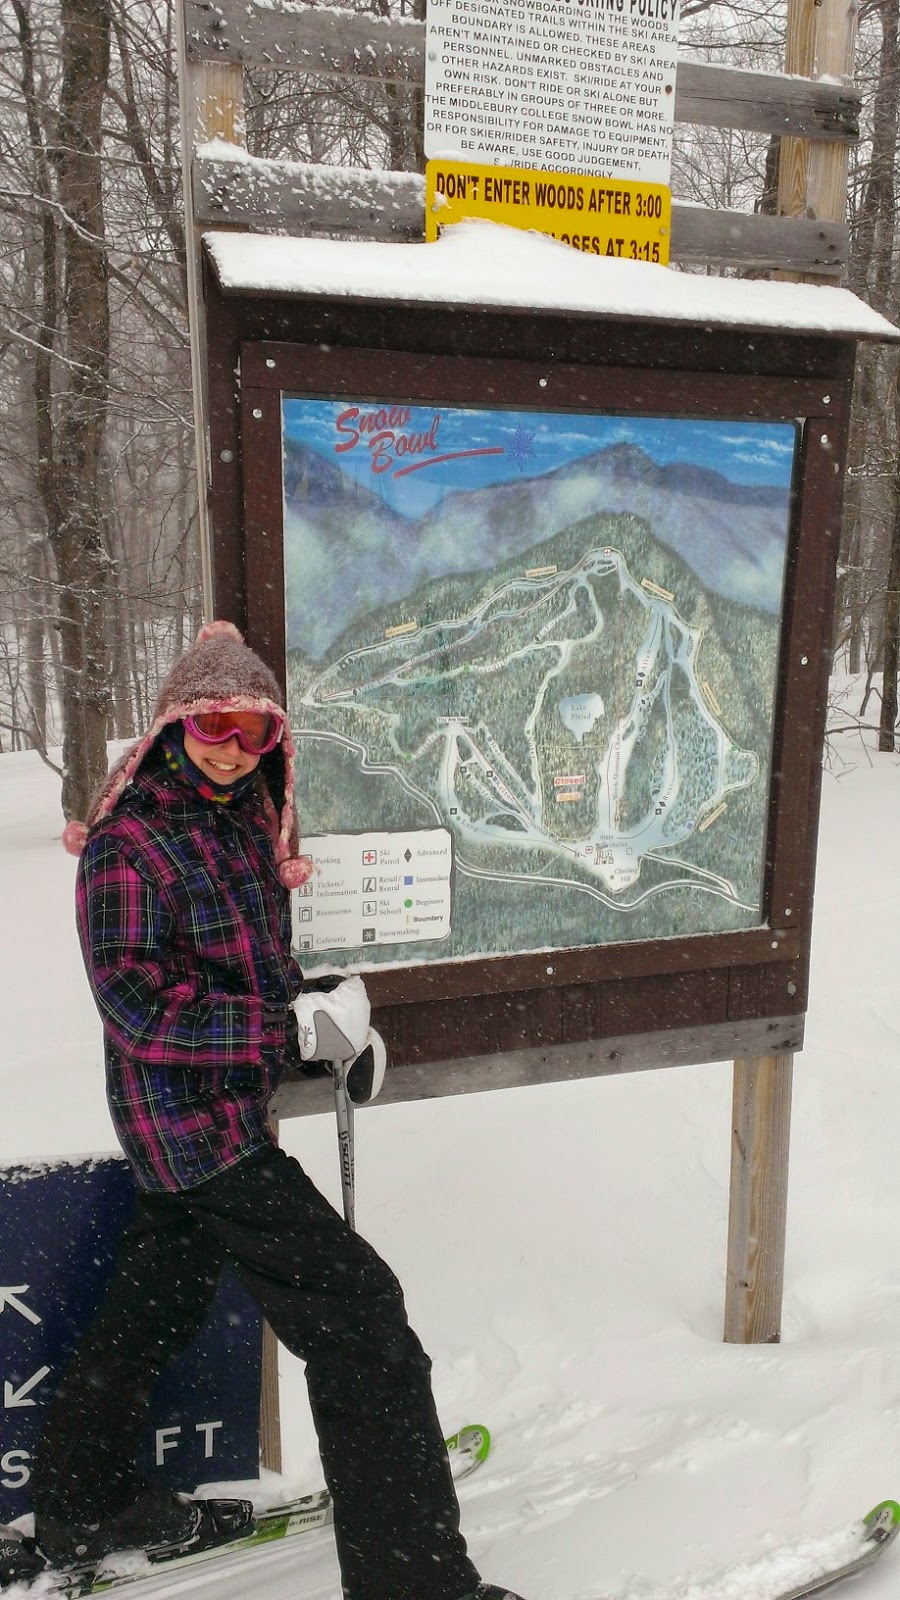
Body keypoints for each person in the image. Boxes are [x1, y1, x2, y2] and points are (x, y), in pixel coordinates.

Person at [23, 620, 523, 1600]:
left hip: (215, 1119)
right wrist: (282, 1033)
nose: (230, 746)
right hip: (193, 1129)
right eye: (212, 723)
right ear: (174, 722)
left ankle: (84, 1502)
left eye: (253, 730)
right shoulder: (129, 844)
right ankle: (412, 1584)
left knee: (154, 1304)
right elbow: (137, 1006)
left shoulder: (240, 817)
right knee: (360, 1320)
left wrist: (327, 1021)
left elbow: (257, 965)